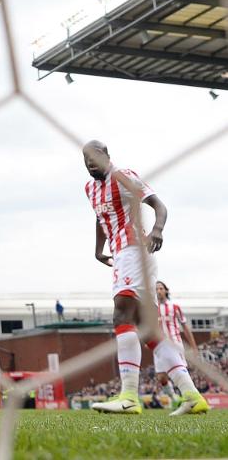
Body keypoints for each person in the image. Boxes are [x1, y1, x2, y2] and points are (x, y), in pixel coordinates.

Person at [80, 141, 190, 415]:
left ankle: (128, 396)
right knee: (149, 331)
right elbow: (100, 218)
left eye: (96, 156)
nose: (91, 162)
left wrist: (158, 229)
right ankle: (191, 394)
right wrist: (97, 251)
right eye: (86, 158)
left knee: (121, 315)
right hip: (120, 253)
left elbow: (158, 205)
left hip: (135, 248)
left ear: (107, 156)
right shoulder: (90, 188)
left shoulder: (124, 176)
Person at [153, 280, 210, 416]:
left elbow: (185, 327)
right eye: (156, 289)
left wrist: (193, 346)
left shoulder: (175, 307)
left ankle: (193, 399)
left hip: (175, 343)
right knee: (161, 377)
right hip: (158, 346)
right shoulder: (152, 309)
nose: (158, 291)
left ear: (166, 290)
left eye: (161, 288)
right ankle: (175, 398)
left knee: (181, 370)